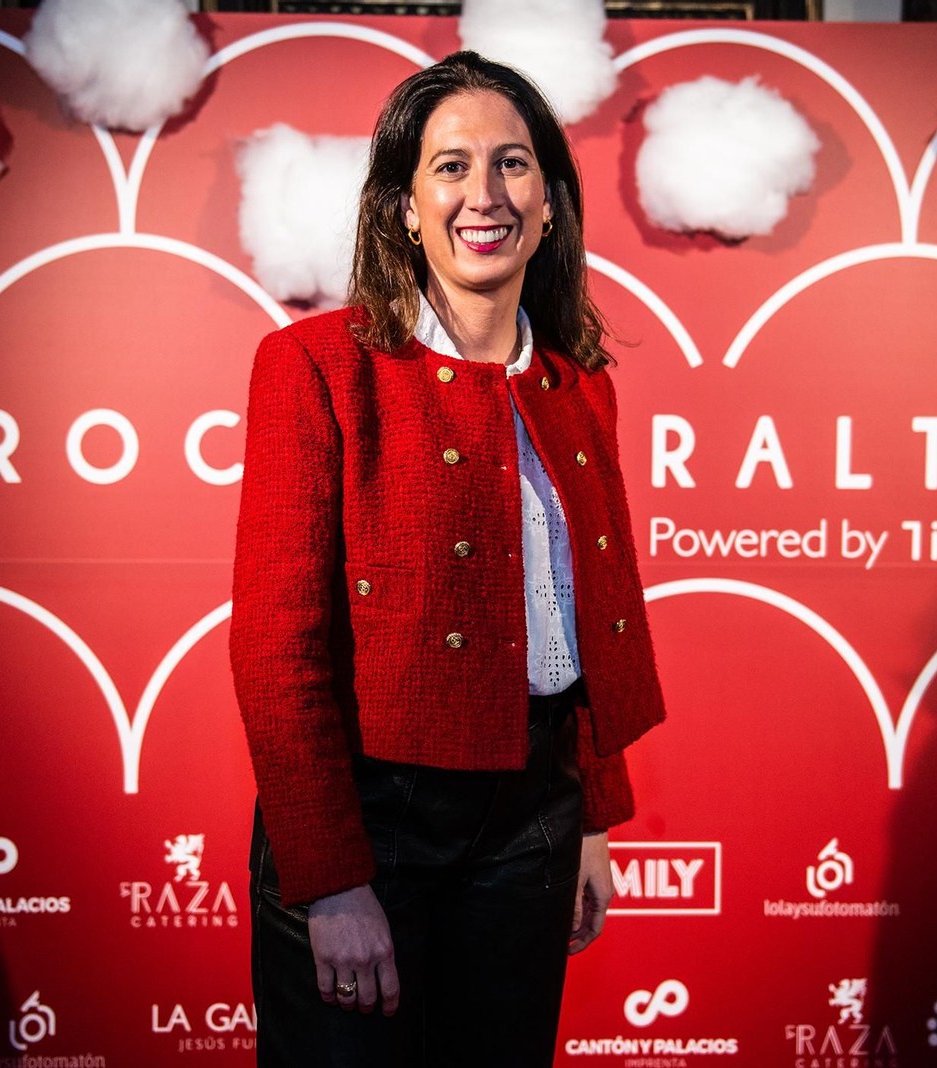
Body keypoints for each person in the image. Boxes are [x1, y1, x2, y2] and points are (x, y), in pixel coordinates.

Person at [228, 49, 666, 1067]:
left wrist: (590, 820)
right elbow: (275, 649)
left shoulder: (577, 385)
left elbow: (579, 613)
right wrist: (332, 881)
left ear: (551, 205)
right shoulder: (314, 368)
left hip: (536, 811)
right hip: (371, 815)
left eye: (513, 165)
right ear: (402, 209)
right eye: (451, 167)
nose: (486, 195)